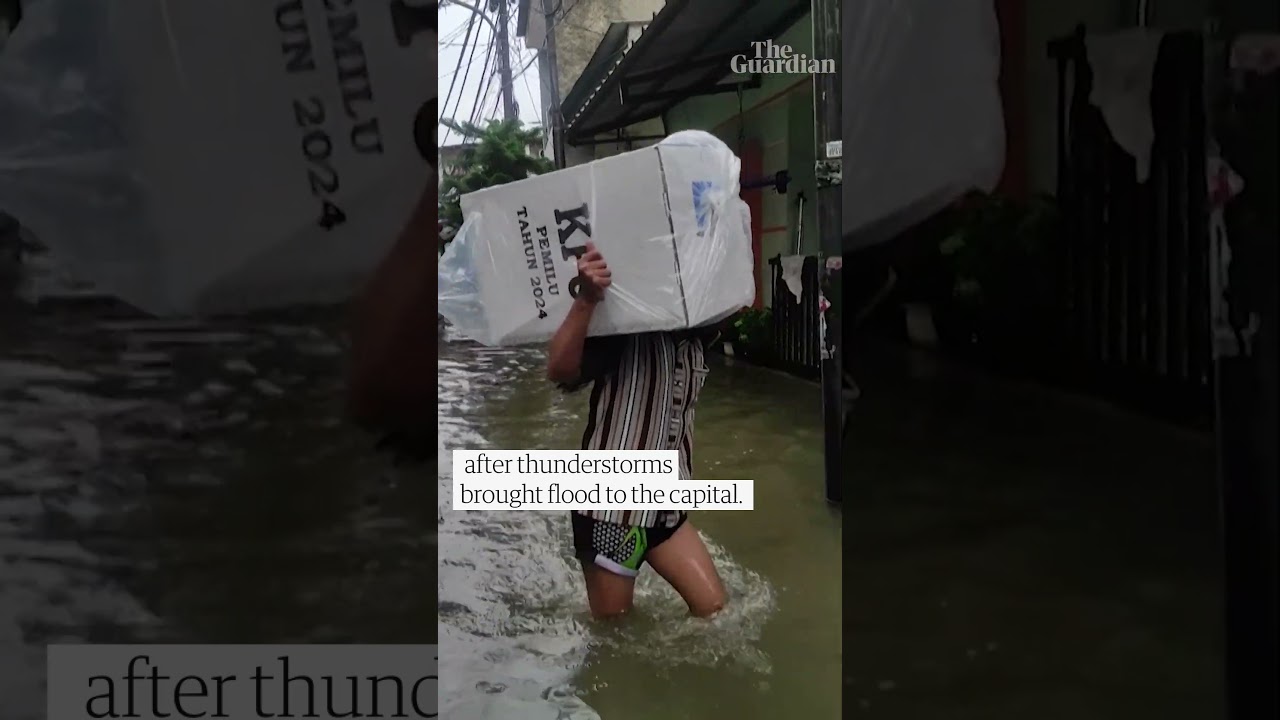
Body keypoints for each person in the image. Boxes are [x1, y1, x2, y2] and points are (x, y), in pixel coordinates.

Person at [546, 242, 727, 620]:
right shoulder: (625, 324)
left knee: (714, 610)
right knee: (616, 635)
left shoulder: (696, 340)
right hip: (611, 508)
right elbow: (560, 370)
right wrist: (587, 299)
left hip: (665, 506)